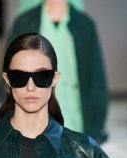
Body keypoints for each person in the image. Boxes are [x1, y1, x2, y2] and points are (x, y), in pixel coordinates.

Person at [7, 0, 109, 142]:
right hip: (33, 124)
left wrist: (96, 127)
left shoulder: (85, 25)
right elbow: (10, 75)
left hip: (76, 122)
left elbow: (96, 78)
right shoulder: (24, 23)